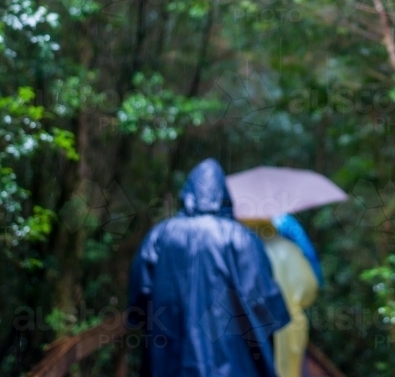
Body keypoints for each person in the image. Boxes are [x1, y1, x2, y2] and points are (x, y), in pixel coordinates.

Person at [127, 159, 291, 377]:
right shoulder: (243, 240)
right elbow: (265, 304)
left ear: (188, 193)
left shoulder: (161, 236)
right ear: (224, 195)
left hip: (170, 363)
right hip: (234, 366)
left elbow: (140, 296)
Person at [244, 214, 322, 377]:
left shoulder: (243, 250)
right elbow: (309, 289)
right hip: (290, 328)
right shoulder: (289, 248)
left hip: (252, 329)